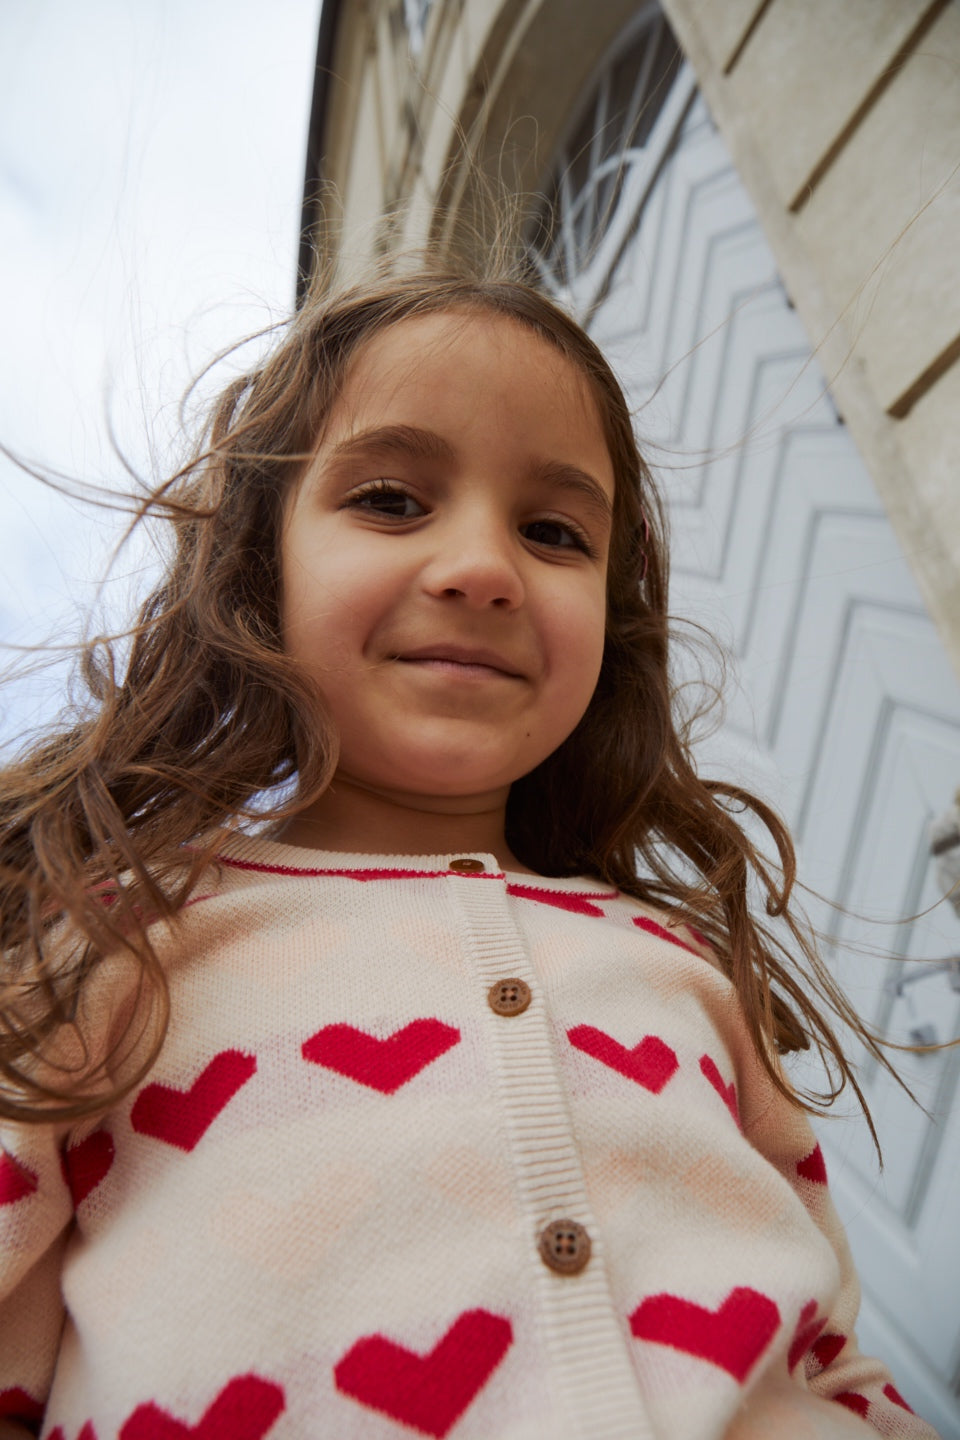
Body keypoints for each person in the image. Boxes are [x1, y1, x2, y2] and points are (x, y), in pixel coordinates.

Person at [0, 262, 942, 1439]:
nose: (486, 570)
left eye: (553, 532)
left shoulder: (685, 965)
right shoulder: (117, 940)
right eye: (392, 500)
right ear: (258, 568)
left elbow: (834, 1353)